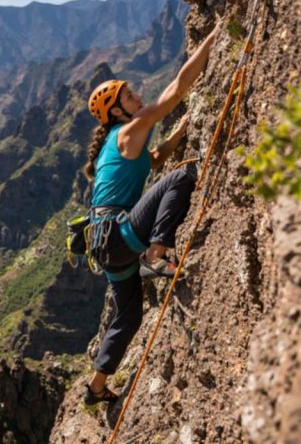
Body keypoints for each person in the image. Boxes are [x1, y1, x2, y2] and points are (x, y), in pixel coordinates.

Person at [82, 21, 221, 405]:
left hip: (105, 245)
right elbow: (176, 89)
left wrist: (178, 135)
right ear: (116, 110)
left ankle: (96, 388)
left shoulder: (118, 141)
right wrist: (213, 38)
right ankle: (156, 254)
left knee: (128, 316)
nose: (138, 96)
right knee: (181, 178)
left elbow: (153, 160)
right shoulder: (129, 131)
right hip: (120, 235)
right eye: (129, 96)